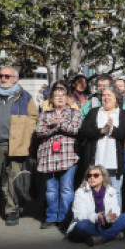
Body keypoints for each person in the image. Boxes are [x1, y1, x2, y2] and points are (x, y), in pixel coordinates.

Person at [0, 66, 39, 227]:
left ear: (15, 79)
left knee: (13, 180)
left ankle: (11, 211)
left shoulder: (25, 97)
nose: (3, 78)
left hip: (15, 145)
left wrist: (26, 139)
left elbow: (34, 118)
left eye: (7, 76)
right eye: (1, 75)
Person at [34, 85, 82, 229]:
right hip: (48, 157)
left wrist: (59, 123)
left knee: (66, 188)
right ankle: (51, 216)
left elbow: (75, 129)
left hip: (68, 156)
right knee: (50, 189)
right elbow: (39, 132)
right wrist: (53, 126)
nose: (60, 98)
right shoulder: (45, 114)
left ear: (67, 98)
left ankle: (64, 218)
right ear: (51, 99)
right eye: (56, 95)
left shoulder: (75, 113)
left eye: (63, 95)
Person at [78, 86, 125, 200]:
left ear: (116, 98)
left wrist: (112, 129)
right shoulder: (94, 112)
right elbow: (84, 131)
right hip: (96, 162)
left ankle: (114, 217)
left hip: (114, 163)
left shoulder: (123, 114)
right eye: (104, 95)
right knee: (93, 191)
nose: (106, 98)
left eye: (109, 95)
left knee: (115, 192)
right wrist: (101, 131)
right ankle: (96, 217)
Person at [68, 165, 125, 246]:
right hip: (90, 225)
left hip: (106, 224)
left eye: (96, 175)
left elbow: (116, 209)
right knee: (81, 226)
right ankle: (112, 235)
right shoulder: (80, 192)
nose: (92, 178)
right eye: (89, 175)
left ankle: (102, 238)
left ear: (103, 177)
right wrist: (97, 217)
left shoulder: (111, 190)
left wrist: (109, 217)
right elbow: (80, 216)